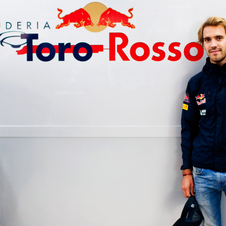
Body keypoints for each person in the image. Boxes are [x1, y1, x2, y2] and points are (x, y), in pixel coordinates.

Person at [181, 16, 226, 226]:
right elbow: (188, 128)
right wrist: (187, 172)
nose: (213, 44)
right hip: (203, 173)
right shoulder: (196, 83)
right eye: (207, 39)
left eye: (219, 37)